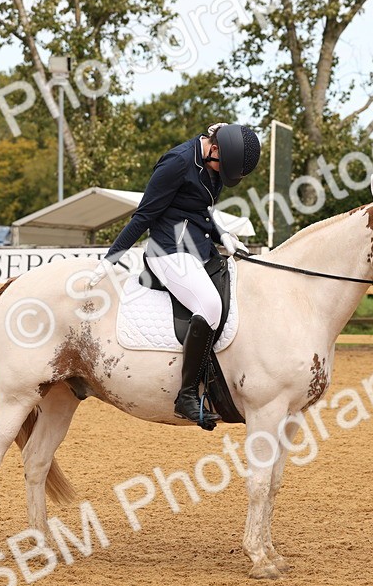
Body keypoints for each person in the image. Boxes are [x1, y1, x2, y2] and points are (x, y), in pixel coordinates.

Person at [90, 122, 261, 428]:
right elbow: (145, 214)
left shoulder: (212, 164)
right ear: (215, 148)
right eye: (223, 167)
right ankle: (185, 396)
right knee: (210, 305)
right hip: (168, 251)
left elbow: (200, 210)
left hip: (200, 248)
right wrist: (111, 258)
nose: (222, 175)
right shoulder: (177, 162)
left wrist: (224, 236)